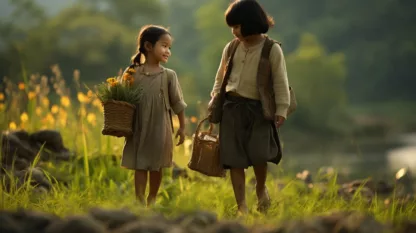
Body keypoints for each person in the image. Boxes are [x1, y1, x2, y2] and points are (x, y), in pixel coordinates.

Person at [209, 0, 291, 215]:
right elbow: (220, 77)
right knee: (234, 159)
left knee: (259, 155)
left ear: (251, 23)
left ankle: (261, 189)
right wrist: (215, 97)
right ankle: (242, 207)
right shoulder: (231, 47)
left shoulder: (271, 50)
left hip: (259, 110)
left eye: (237, 26)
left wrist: (281, 110)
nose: (234, 32)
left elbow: (281, 82)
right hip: (232, 108)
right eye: (232, 27)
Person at [121, 25, 187, 207]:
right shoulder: (132, 73)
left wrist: (182, 127)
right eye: (164, 46)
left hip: (160, 128)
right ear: (149, 46)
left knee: (156, 165)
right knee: (140, 164)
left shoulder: (168, 76)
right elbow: (121, 98)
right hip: (139, 126)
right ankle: (140, 200)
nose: (168, 51)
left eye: (169, 47)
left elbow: (178, 104)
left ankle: (152, 199)